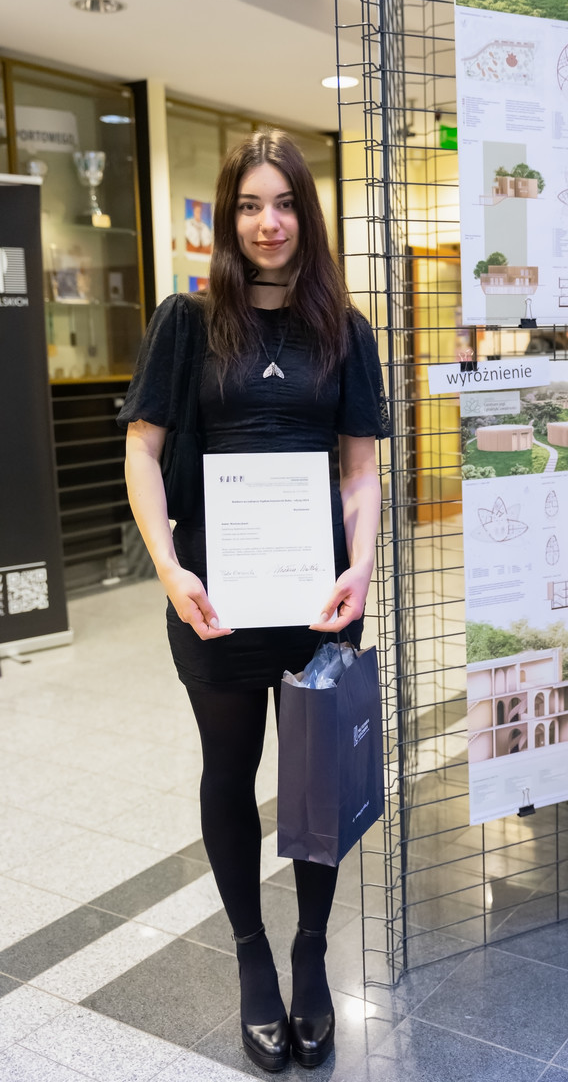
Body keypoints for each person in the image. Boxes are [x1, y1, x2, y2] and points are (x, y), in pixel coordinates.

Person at [118, 129, 389, 1073]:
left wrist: (363, 565)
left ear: (305, 214)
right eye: (248, 205)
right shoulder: (187, 323)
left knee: (316, 778)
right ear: (228, 217)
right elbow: (143, 450)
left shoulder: (345, 330)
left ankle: (311, 952)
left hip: (319, 600)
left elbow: (359, 469)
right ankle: (251, 956)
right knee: (229, 771)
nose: (267, 223)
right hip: (217, 600)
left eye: (283, 204)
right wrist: (169, 568)